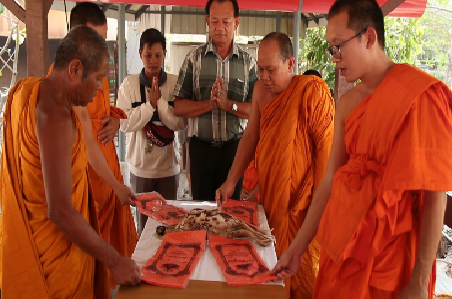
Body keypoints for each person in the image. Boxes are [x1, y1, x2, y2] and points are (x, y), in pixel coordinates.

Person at [270, 1, 452, 298]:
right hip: (341, 247)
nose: (334, 58)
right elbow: (329, 182)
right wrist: (297, 248)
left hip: (390, 256)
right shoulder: (348, 103)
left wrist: (419, 282)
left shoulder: (419, 97)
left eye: (339, 46)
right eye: (331, 48)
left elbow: (435, 196)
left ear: (369, 37)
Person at [0, 26, 141, 299]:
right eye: (98, 79)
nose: (99, 89)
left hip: (37, 249)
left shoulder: (28, 92)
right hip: (51, 271)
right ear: (75, 69)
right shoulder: (55, 115)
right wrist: (115, 260)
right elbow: (60, 211)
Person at [216, 32, 335, 299]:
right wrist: (230, 181)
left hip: (302, 211)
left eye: (271, 70)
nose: (265, 77)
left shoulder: (312, 93)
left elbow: (327, 158)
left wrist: (322, 211)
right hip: (270, 200)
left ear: (291, 64)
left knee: (302, 278)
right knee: (269, 272)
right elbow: (250, 137)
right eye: (260, 69)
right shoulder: (260, 90)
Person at [67, 3, 137, 290]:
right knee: (88, 267)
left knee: (115, 262)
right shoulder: (65, 81)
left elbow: (98, 113)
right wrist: (117, 186)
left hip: (107, 169)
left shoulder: (94, 70)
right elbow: (84, 138)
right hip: (86, 179)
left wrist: (114, 120)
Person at [173, 0, 258, 201]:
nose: (220, 27)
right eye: (215, 21)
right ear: (207, 22)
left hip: (234, 151)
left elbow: (257, 110)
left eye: (226, 22)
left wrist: (228, 104)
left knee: (231, 212)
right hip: (201, 150)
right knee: (202, 212)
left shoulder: (249, 62)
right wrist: (209, 104)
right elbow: (178, 107)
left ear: (236, 23)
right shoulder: (193, 59)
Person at [117, 28, 186, 233]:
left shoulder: (175, 83)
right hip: (140, 169)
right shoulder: (129, 85)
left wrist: (161, 104)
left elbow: (180, 123)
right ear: (140, 54)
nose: (153, 61)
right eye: (148, 55)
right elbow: (123, 123)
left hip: (168, 169)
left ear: (165, 54)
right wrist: (149, 107)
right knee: (145, 229)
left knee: (169, 226)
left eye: (157, 55)